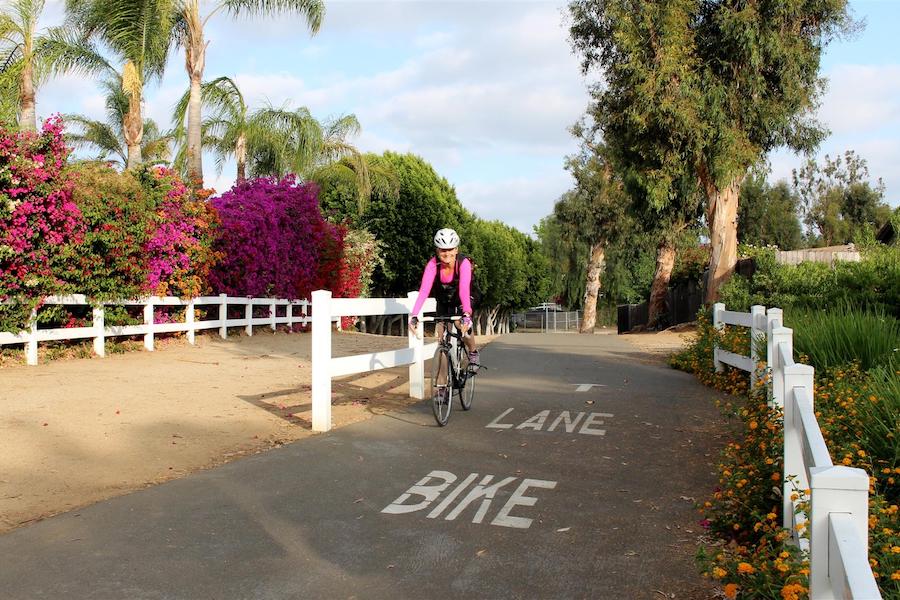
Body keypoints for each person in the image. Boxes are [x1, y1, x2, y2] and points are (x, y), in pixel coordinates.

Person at [408, 227, 479, 366]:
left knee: (461, 324)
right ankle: (442, 386)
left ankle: (473, 351)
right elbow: (424, 291)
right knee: (441, 341)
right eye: (443, 250)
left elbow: (464, 289)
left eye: (450, 249)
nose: (447, 253)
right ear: (437, 250)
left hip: (465, 297)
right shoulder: (433, 264)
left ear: (456, 249)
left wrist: (466, 313)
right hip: (445, 299)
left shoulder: (463, 263)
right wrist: (414, 315)